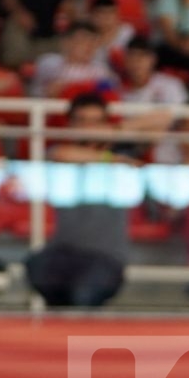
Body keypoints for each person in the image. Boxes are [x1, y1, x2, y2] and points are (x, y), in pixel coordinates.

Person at [25, 92, 134, 306]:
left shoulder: (126, 150)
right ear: (70, 124)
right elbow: (61, 154)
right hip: (65, 254)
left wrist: (114, 134)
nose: (88, 128)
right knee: (37, 265)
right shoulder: (64, 155)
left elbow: (163, 117)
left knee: (83, 291)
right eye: (82, 121)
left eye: (95, 122)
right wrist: (108, 158)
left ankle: (78, 338)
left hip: (106, 258)